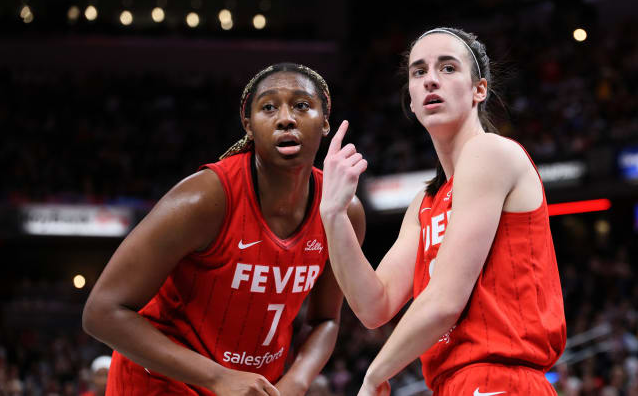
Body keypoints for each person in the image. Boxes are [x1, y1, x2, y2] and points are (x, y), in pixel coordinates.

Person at [83, 62, 365, 396]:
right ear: (249, 125)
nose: (286, 118)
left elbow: (326, 321)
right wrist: (218, 377)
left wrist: (294, 383)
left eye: (302, 105)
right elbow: (101, 312)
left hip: (252, 387)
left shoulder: (343, 210)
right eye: (269, 107)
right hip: (161, 382)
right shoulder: (204, 198)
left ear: (326, 121)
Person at [320, 27, 566, 395]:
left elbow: (446, 300)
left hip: (501, 378)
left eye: (448, 68)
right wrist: (333, 214)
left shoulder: (490, 153)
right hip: (453, 383)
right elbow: (374, 305)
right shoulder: (425, 203)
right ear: (412, 101)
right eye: (419, 72)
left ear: (479, 90)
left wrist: (374, 374)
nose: (430, 80)